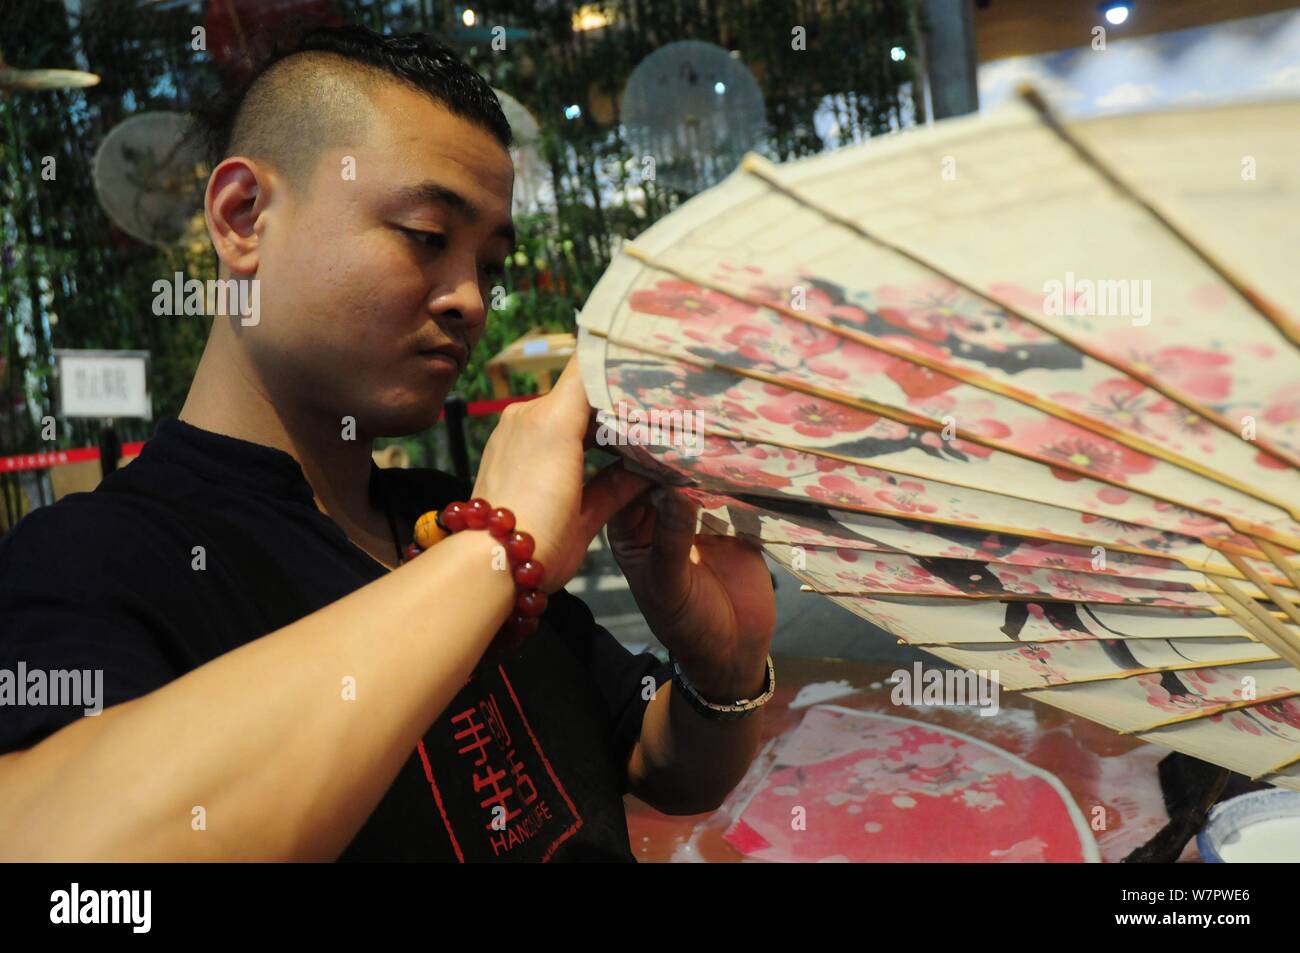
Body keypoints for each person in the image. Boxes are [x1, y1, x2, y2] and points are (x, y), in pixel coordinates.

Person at [0, 25, 776, 861]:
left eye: (491, 264)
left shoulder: (440, 511)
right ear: (242, 217)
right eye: (426, 235)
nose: (471, 301)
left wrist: (719, 667)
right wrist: (491, 553)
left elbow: (660, 764)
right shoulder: (91, 557)